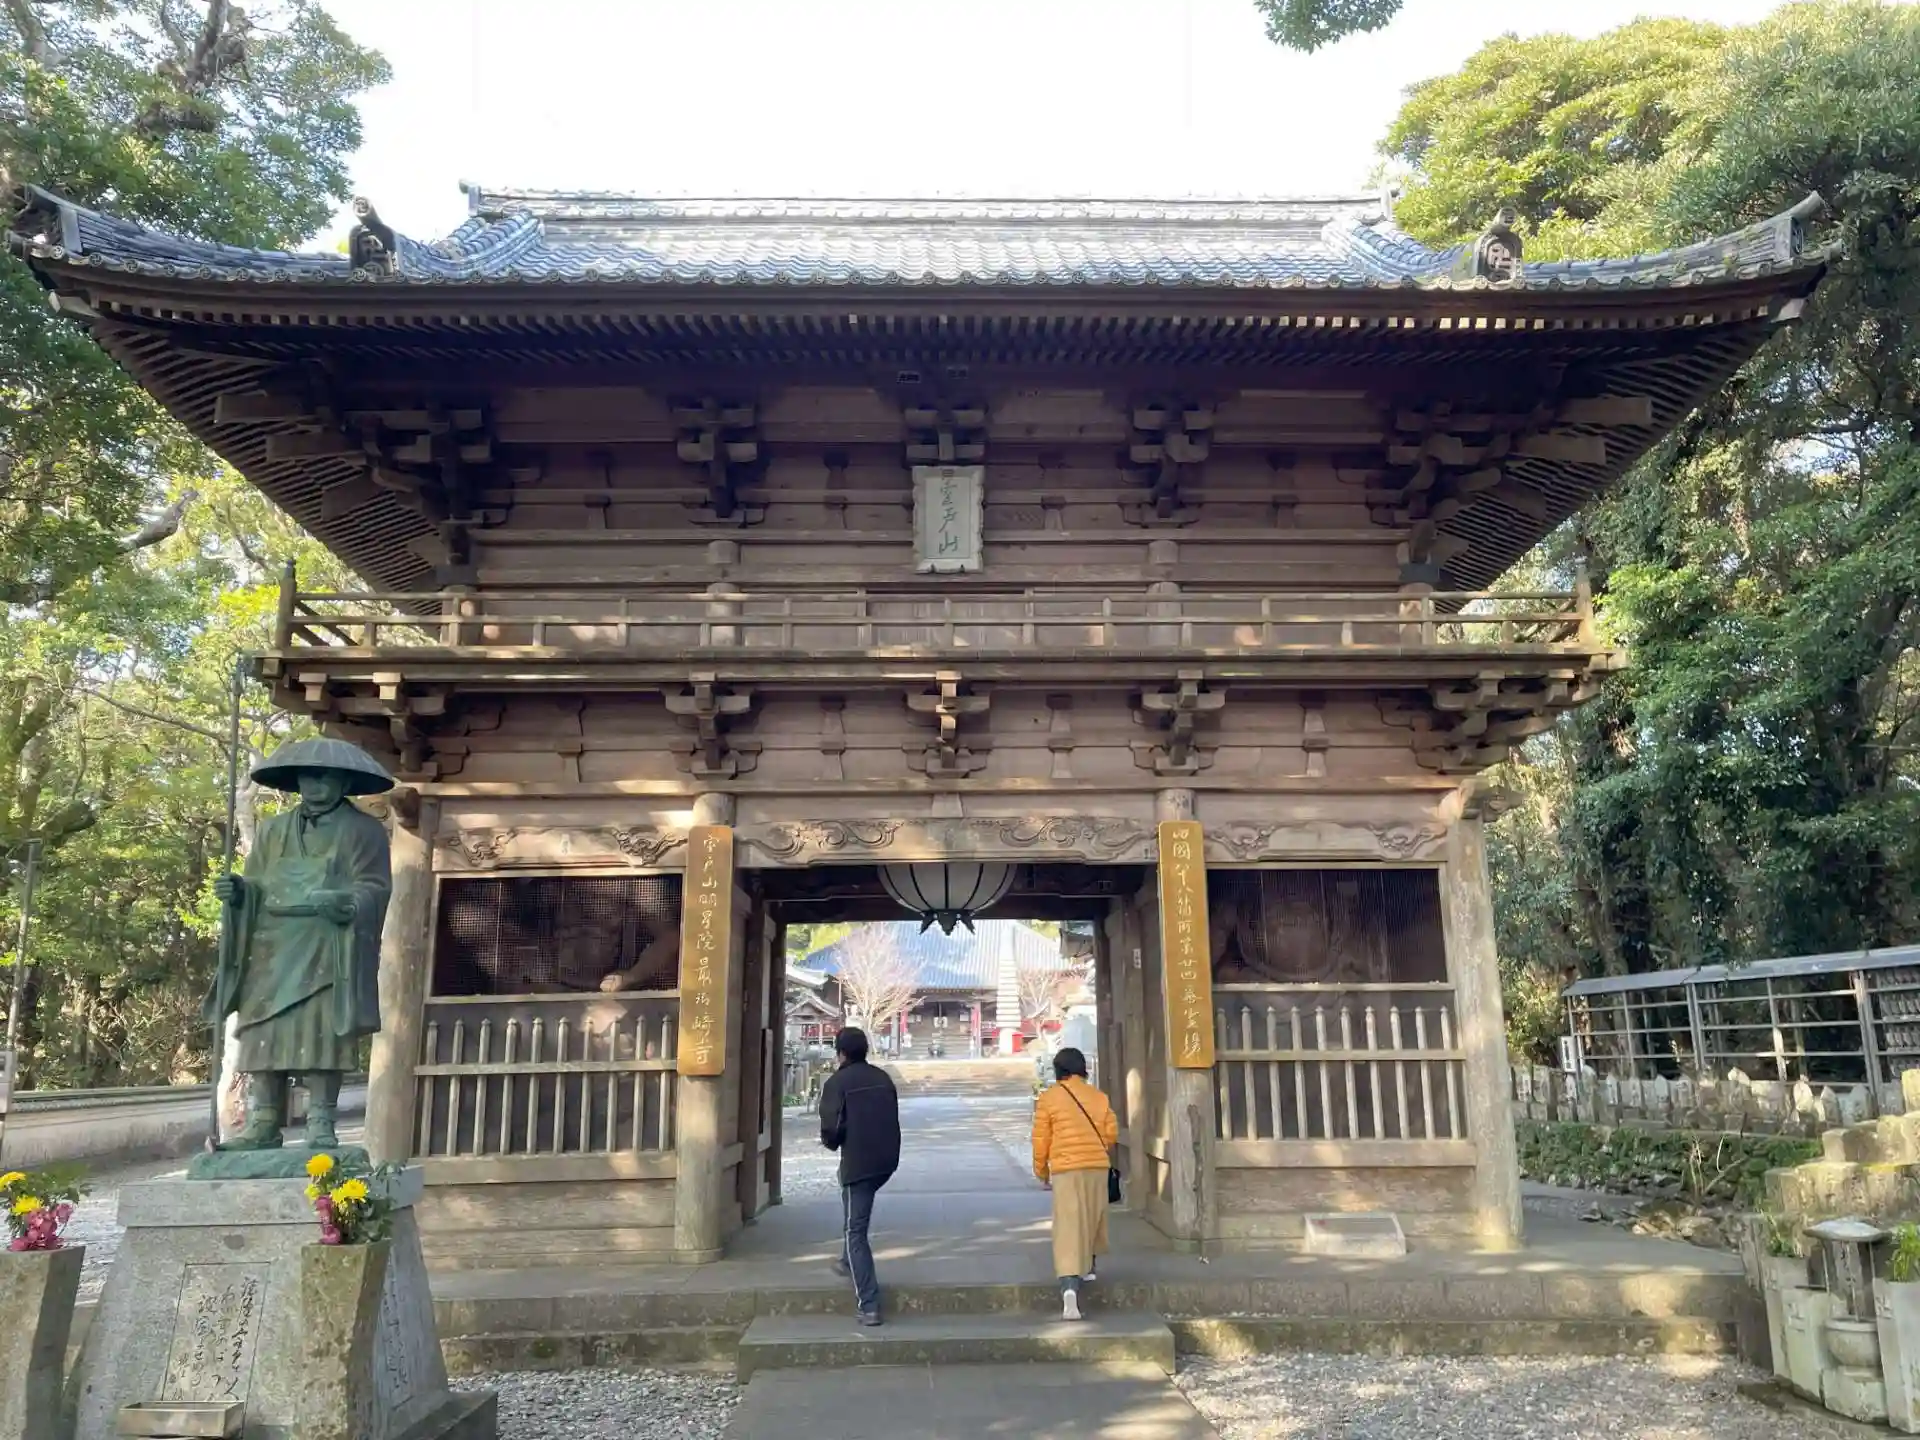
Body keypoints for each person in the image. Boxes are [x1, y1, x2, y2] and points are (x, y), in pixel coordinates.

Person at [818, 1026, 901, 1327]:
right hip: (887, 1160)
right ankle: (845, 1260)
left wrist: (832, 1142)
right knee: (853, 1207)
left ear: (841, 1053)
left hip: (859, 1163)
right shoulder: (883, 1078)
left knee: (856, 1231)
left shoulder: (837, 1082)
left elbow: (831, 1127)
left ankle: (869, 1304)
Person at [1030, 1046, 1118, 1321]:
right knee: (1092, 1217)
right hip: (1097, 1167)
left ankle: (1069, 1289)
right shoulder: (1099, 1097)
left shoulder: (1049, 1098)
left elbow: (1040, 1138)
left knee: (1069, 1224)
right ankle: (1089, 1267)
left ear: (1059, 1070)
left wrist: (1041, 1170)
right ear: (1082, 1069)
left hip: (1067, 1169)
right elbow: (1111, 1133)